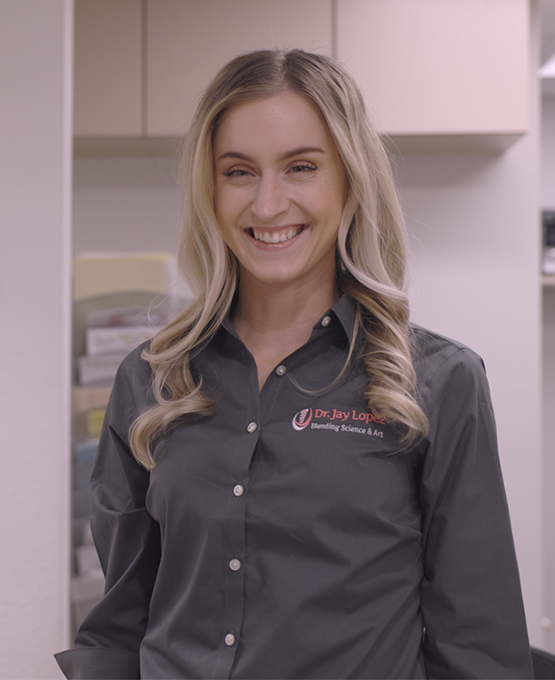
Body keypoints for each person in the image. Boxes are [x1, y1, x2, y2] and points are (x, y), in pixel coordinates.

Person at [55, 49, 533, 679]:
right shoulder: (151, 379)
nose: (268, 203)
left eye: (301, 167)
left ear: (350, 180)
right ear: (210, 187)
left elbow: (478, 644)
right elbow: (121, 622)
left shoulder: (437, 382)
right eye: (239, 171)